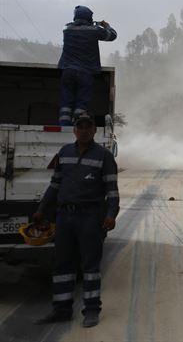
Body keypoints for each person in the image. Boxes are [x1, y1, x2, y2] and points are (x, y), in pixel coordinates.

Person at [33, 112, 119, 328]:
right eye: (80, 127)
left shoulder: (104, 156)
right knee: (62, 265)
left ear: (94, 131)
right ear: (75, 130)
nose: (84, 131)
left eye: (88, 127)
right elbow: (55, 184)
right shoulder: (65, 152)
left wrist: (111, 215)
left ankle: (91, 310)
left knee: (90, 266)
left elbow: (112, 190)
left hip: (90, 217)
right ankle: (61, 310)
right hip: (64, 217)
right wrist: (42, 209)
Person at [58, 5, 117, 125]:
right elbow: (112, 36)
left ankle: (63, 126)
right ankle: (78, 125)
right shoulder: (94, 30)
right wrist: (106, 26)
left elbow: (76, 26)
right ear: (89, 17)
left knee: (66, 102)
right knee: (81, 102)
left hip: (68, 71)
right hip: (85, 72)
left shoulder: (67, 29)